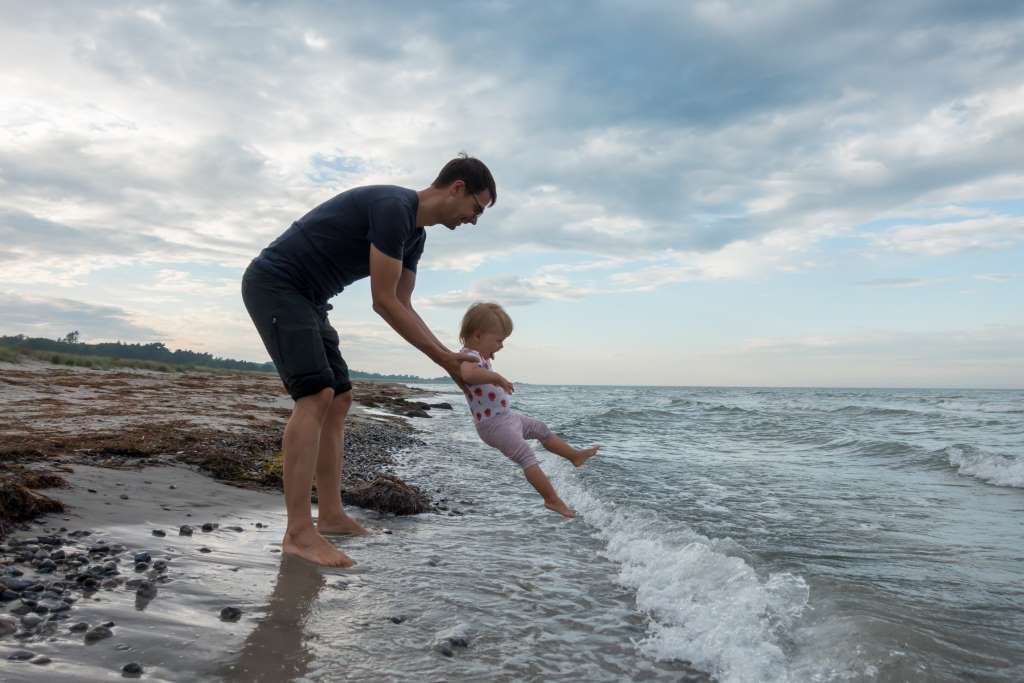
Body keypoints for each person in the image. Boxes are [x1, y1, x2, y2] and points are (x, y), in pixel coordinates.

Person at [242, 155, 495, 566]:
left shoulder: (416, 237)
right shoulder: (393, 208)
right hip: (276, 284)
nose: (473, 219)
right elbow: (382, 302)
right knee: (315, 395)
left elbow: (402, 304)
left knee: (340, 398)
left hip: (309, 300)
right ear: (458, 187)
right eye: (476, 209)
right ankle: (298, 533)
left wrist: (450, 359)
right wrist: (448, 362)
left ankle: (331, 516)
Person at [458, 302, 599, 518]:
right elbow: (468, 375)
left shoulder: (479, 356)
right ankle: (551, 499)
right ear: (477, 336)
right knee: (526, 456)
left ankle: (574, 456)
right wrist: (496, 377)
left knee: (540, 429)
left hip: (506, 418)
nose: (501, 346)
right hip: (494, 425)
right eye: (498, 341)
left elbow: (478, 369)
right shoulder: (469, 357)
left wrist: (488, 358)